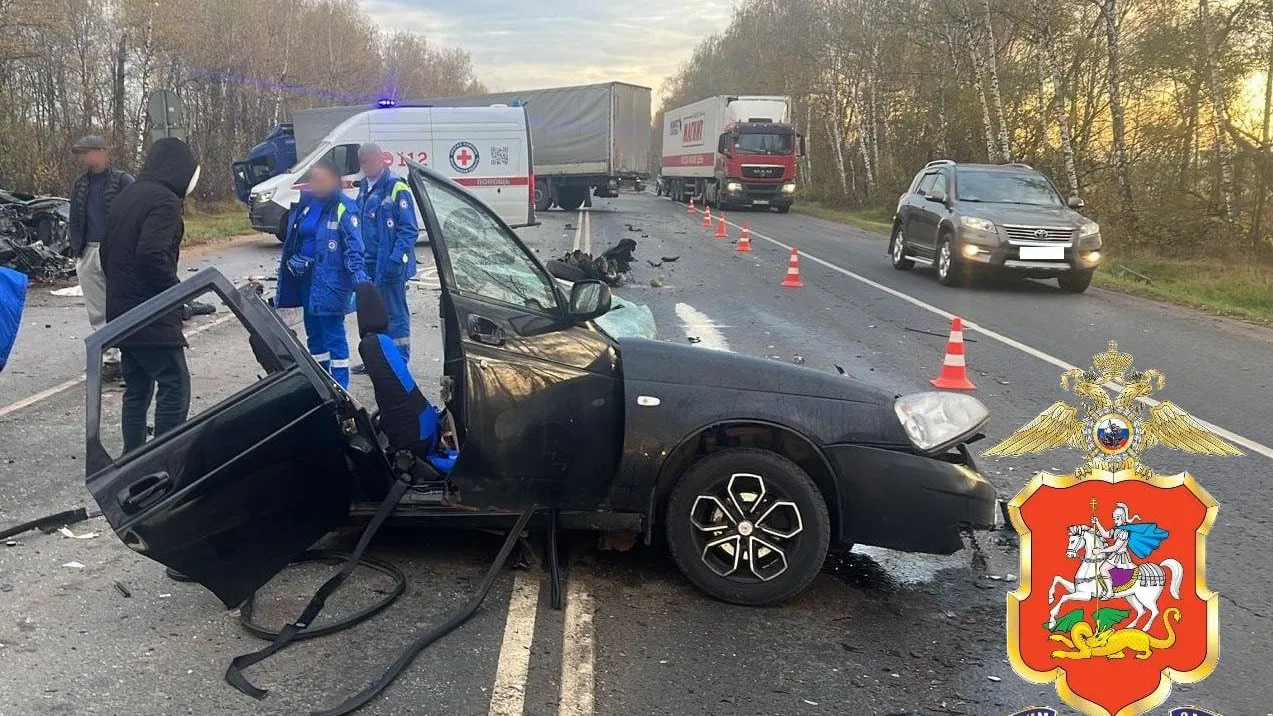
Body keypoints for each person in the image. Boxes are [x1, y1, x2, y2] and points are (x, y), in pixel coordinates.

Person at [102, 137, 200, 452]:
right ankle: (163, 461)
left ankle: (133, 458)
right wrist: (177, 296)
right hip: (151, 314)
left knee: (137, 389)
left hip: (123, 313)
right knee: (175, 384)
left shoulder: (127, 196)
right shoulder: (165, 202)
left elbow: (106, 252)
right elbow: (152, 254)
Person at [276, 158, 369, 388]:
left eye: (321, 180)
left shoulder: (345, 209)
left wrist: (362, 284)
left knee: (333, 335)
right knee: (314, 334)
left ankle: (340, 386)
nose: (315, 184)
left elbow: (354, 249)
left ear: (335, 181)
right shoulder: (307, 205)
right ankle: (321, 381)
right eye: (313, 179)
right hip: (306, 281)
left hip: (330, 283)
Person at [69, 135, 134, 382]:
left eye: (85, 153)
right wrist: (77, 249)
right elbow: (75, 216)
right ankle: (110, 360)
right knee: (97, 309)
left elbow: (134, 214)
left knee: (121, 304)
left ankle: (129, 358)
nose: (82, 158)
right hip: (88, 250)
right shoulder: (80, 184)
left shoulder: (123, 181)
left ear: (100, 152)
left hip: (116, 251)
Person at [353, 143, 417, 373]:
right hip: (367, 265)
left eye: (371, 160)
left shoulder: (395, 188)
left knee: (394, 314)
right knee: (372, 317)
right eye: (363, 161)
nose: (367, 165)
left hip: (390, 265)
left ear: (382, 160)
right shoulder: (363, 188)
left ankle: (398, 362)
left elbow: (408, 230)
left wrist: (395, 261)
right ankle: (376, 360)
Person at [1091, 502, 1168, 597]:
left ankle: (1110, 591)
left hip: (1120, 556)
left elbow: (1116, 547)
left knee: (1102, 568)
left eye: (1117, 518)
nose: (1115, 521)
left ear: (1123, 518)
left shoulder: (1124, 531)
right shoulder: (1116, 529)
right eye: (1114, 519)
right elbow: (1106, 535)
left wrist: (1100, 551)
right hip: (1115, 555)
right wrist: (1097, 522)